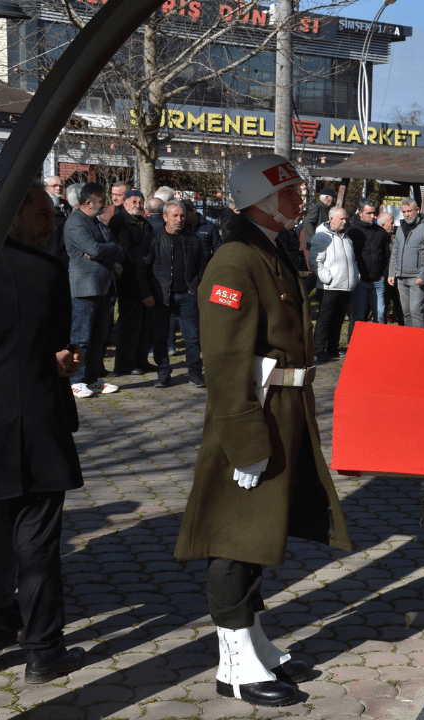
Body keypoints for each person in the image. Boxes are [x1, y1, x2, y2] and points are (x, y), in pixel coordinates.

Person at [175, 154, 351, 707]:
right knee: (234, 538)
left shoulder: (266, 249)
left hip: (282, 407)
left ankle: (251, 641)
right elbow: (225, 361)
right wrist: (244, 440)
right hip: (253, 412)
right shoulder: (235, 258)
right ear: (261, 201)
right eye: (291, 193)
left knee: (258, 536)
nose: (301, 200)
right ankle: (234, 663)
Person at [0, 181, 87, 684]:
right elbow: (58, 350)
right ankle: (43, 651)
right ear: (12, 214)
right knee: (37, 545)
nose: (50, 222)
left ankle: (0, 625)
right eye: (42, 213)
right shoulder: (44, 272)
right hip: (36, 426)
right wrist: (61, 365)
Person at [64, 182, 123, 399]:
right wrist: (105, 250)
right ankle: (75, 381)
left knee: (99, 338)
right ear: (88, 202)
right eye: (101, 201)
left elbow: (118, 251)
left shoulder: (98, 224)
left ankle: (92, 379)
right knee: (82, 338)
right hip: (84, 291)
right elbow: (95, 249)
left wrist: (106, 250)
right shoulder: (74, 223)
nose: (105, 205)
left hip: (103, 288)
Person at [147, 200, 206, 388]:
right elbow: (144, 267)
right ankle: (163, 372)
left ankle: (195, 372)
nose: (179, 219)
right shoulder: (153, 238)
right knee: (160, 336)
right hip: (161, 296)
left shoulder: (193, 239)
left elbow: (202, 265)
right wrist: (147, 292)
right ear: (165, 217)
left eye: (182, 215)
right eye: (175, 215)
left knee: (192, 337)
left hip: (187, 294)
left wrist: (196, 284)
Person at [108, 190, 157, 376]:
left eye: (141, 201)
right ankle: (124, 364)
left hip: (145, 279)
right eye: (134, 201)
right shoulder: (119, 221)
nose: (138, 204)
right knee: (129, 323)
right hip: (129, 278)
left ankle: (141, 359)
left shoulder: (145, 223)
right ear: (125, 203)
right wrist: (146, 261)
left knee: (145, 323)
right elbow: (128, 250)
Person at [311, 208, 357, 361]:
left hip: (345, 285)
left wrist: (356, 276)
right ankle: (318, 350)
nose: (345, 221)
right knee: (325, 319)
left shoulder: (347, 238)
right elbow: (314, 261)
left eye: (346, 218)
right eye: (342, 219)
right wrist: (327, 278)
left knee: (338, 319)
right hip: (329, 286)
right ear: (332, 219)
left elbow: (352, 260)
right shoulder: (322, 237)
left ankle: (332, 348)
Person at [387, 198, 424, 329]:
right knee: (406, 313)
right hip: (401, 277)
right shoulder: (401, 227)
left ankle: (420, 343)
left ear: (417, 210)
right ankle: (410, 342)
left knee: (416, 311)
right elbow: (395, 251)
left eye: (409, 211)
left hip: (417, 278)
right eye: (404, 212)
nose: (407, 214)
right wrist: (392, 272)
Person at [347, 198, 388, 335]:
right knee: (358, 317)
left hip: (377, 280)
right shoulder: (352, 232)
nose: (373, 216)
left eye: (374, 213)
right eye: (369, 213)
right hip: (360, 280)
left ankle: (379, 346)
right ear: (360, 213)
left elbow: (386, 253)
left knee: (380, 316)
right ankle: (354, 347)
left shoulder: (380, 231)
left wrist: (384, 273)